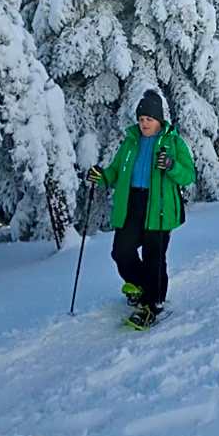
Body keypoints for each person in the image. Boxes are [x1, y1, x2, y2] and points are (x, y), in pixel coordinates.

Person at [87, 90, 196, 330]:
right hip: (132, 203)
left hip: (159, 207)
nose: (144, 123)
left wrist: (171, 165)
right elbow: (116, 171)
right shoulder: (131, 141)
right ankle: (140, 285)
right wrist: (102, 177)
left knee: (154, 258)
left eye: (149, 119)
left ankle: (152, 303)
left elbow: (188, 175)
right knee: (121, 251)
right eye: (141, 119)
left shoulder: (173, 142)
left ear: (159, 120)